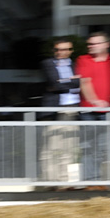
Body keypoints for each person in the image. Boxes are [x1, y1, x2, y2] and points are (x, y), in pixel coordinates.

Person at [76, 31, 110, 181]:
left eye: (95, 43)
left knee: (102, 148)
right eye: (90, 44)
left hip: (109, 111)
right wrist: (94, 101)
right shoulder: (84, 59)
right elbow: (85, 82)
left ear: (107, 44)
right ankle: (90, 181)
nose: (91, 47)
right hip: (88, 111)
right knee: (87, 147)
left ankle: (99, 180)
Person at [40, 37, 80, 181]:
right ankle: (50, 181)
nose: (60, 52)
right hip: (54, 109)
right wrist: (73, 81)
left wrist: (64, 82)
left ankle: (67, 181)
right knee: (51, 148)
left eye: (64, 49)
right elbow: (54, 84)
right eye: (57, 49)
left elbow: (80, 82)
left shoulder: (76, 64)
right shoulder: (48, 63)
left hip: (72, 109)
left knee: (70, 148)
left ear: (70, 51)